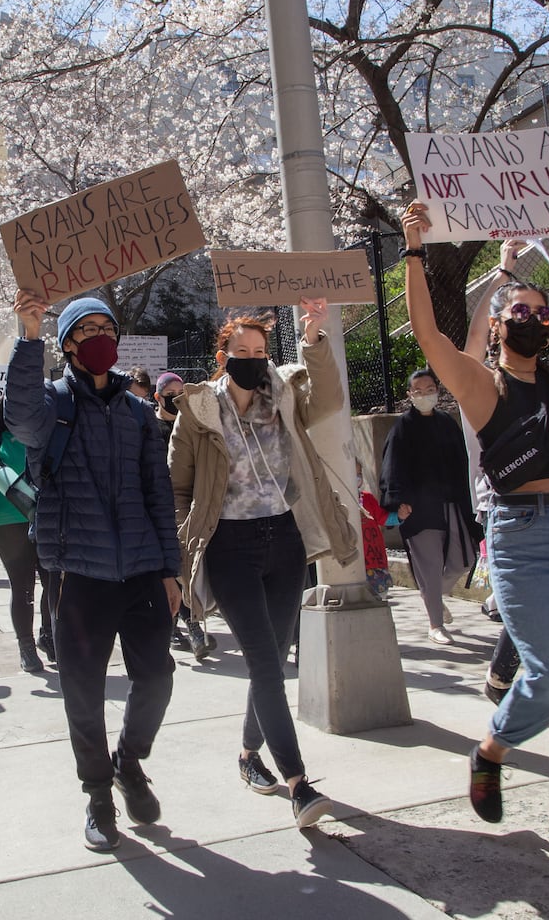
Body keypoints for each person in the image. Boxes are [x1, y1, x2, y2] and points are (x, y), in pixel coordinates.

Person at [404, 190, 549, 858]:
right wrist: (415, 250)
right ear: (502, 319)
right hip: (521, 541)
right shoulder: (482, 387)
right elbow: (429, 335)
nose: (534, 318)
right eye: (521, 310)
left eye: (543, 311)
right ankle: (492, 747)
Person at [168, 297, 355, 830]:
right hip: (229, 546)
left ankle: (249, 754)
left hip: (285, 540)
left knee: (274, 653)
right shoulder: (198, 410)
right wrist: (188, 538)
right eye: (240, 350)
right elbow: (178, 485)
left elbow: (331, 400)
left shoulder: (285, 395)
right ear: (222, 354)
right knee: (266, 664)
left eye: (260, 350)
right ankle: (298, 782)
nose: (252, 358)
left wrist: (314, 340)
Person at [7, 291, 182, 854]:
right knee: (81, 690)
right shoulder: (51, 406)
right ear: (68, 346)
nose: (100, 337)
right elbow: (19, 415)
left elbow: (159, 492)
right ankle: (99, 795)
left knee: (156, 677)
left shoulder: (136, 412)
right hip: (77, 572)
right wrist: (28, 337)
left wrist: (170, 569)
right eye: (87, 330)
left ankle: (130, 764)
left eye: (108, 326)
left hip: (141, 570)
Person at [378, 368, 483, 644]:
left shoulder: (447, 423)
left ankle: (434, 596)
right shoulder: (402, 427)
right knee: (430, 564)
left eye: (429, 389)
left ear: (438, 389)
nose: (425, 395)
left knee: (465, 559)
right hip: (419, 510)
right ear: (410, 395)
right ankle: (435, 623)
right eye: (418, 391)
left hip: (453, 504)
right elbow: (391, 468)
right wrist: (397, 503)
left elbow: (464, 461)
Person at [0, 399, 53, 672]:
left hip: (46, 521)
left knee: (53, 582)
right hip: (9, 525)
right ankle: (26, 646)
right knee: (23, 587)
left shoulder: (43, 440)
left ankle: (48, 635)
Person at [152, 371, 212, 659]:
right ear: (158, 396)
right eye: (170, 394)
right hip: (160, 509)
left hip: (187, 507)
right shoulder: (151, 429)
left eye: (180, 393)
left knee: (187, 565)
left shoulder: (190, 427)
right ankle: (173, 626)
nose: (175, 399)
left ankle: (194, 625)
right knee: (170, 571)